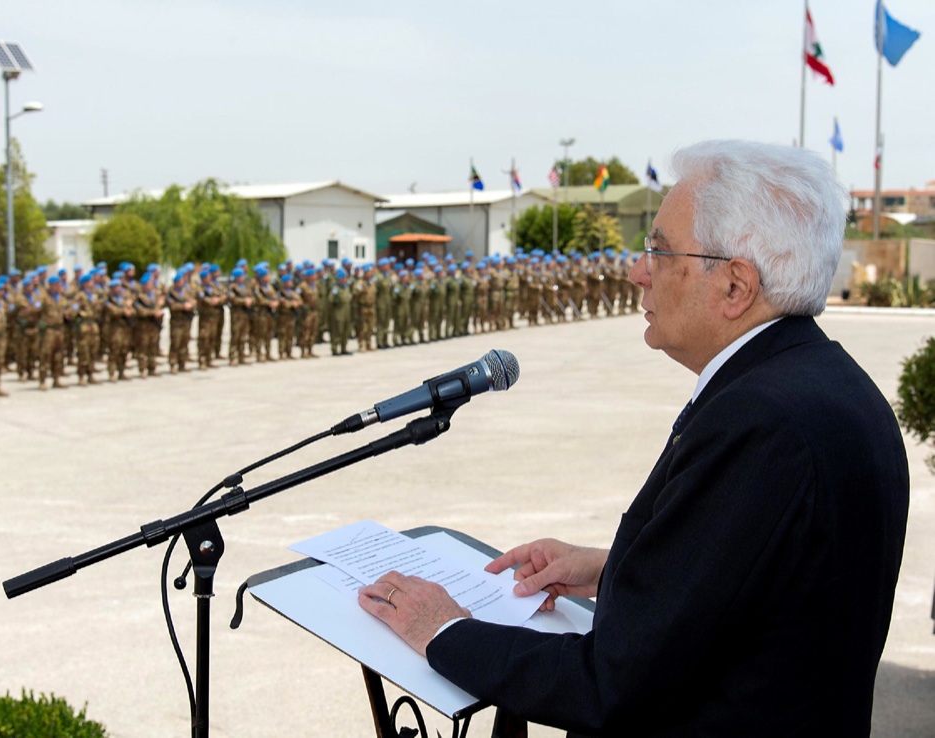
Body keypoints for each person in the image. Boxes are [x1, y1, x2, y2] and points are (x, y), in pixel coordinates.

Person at [357, 140, 910, 736]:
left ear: (735, 286)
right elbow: (758, 583)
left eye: (659, 249)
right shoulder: (831, 383)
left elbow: (615, 683)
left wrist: (444, 630)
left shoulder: (759, 420)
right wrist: (616, 569)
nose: (636, 270)